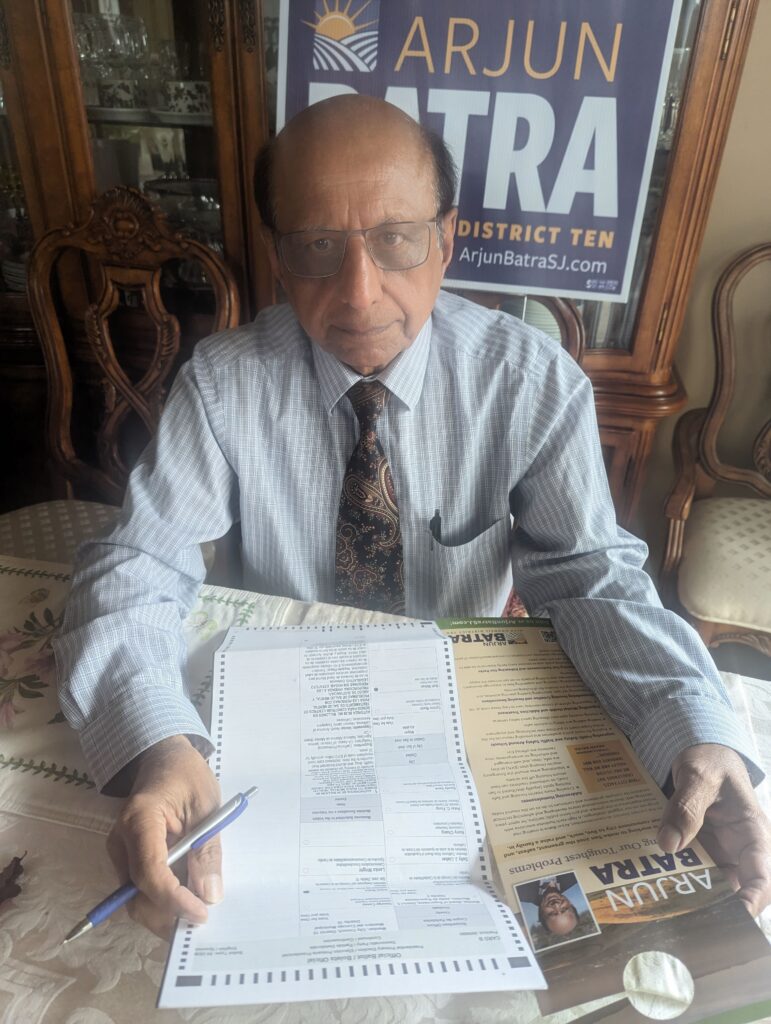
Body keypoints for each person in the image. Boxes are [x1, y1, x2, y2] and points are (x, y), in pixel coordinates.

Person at [54, 95, 771, 940]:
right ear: (279, 257)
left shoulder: (529, 381)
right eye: (318, 247)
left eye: (396, 238)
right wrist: (157, 741)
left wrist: (691, 727)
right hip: (276, 733)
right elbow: (137, 562)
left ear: (446, 240)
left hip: (460, 733)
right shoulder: (223, 383)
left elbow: (589, 577)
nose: (359, 294)